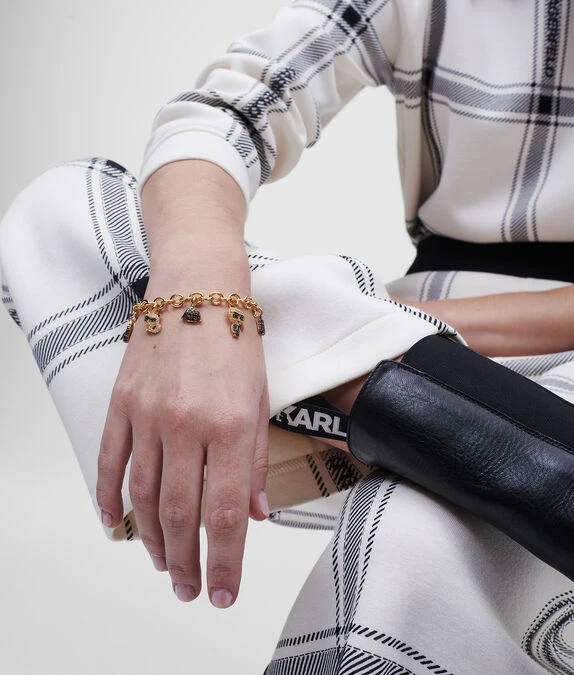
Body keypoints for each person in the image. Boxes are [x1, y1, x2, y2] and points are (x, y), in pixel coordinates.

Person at [2, 0, 574, 673]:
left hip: (455, 348)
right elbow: (221, 116)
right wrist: (203, 299)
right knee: (60, 211)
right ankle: (397, 405)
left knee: (405, 544)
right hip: (401, 352)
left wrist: (358, 334)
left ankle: (355, 389)